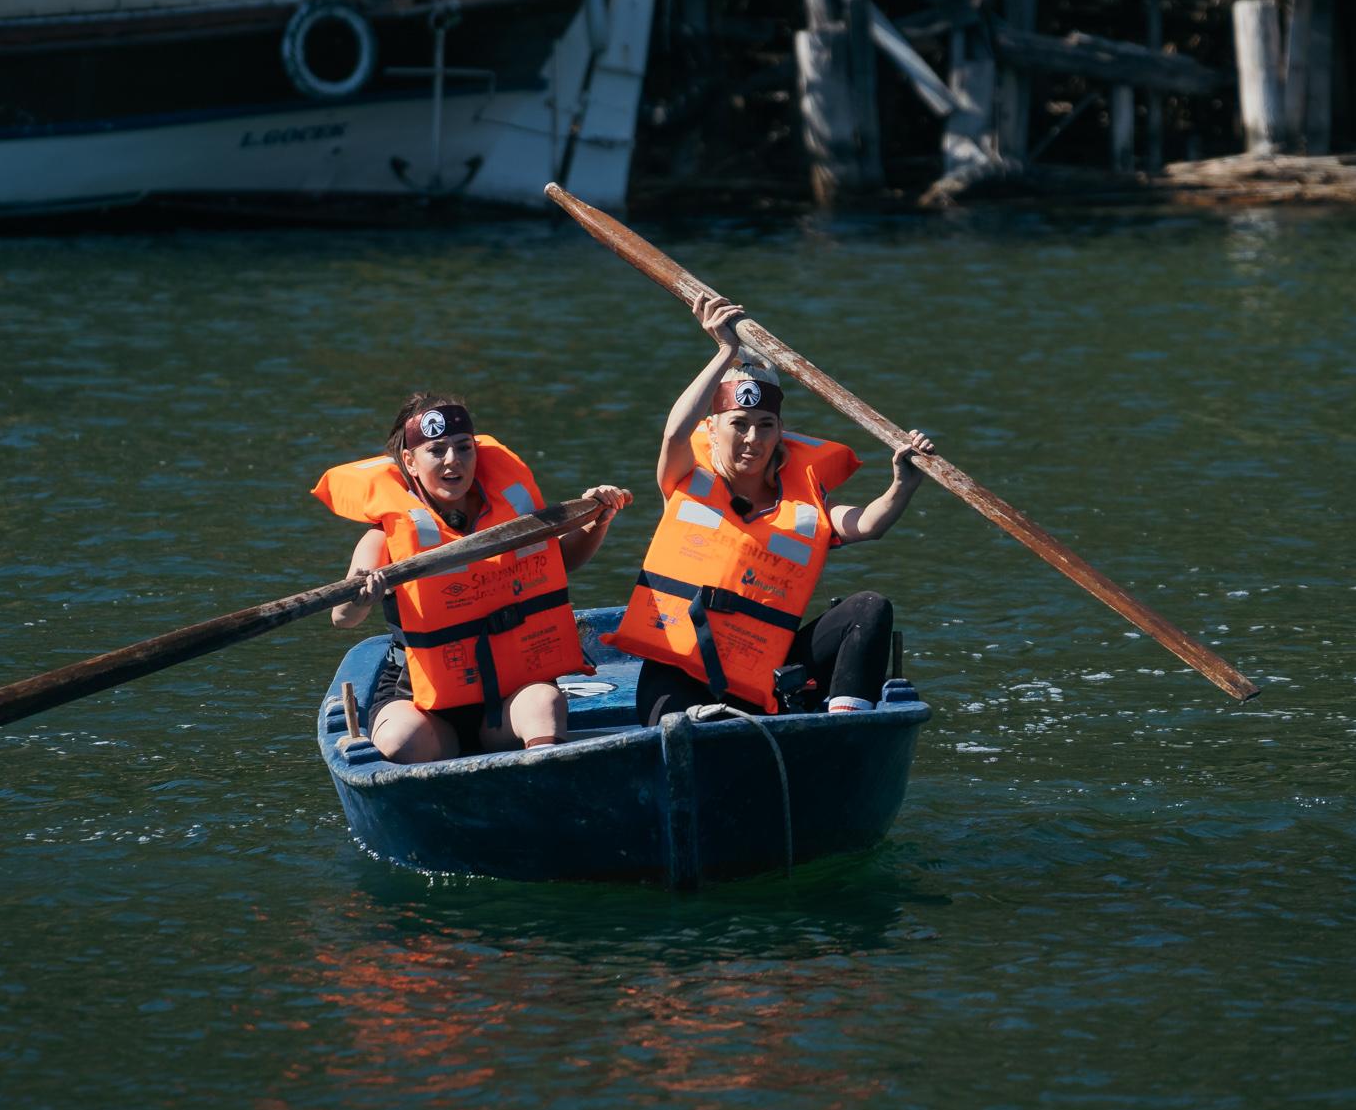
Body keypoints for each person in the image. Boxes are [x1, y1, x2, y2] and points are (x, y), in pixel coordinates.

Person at [604, 293, 935, 722]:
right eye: (738, 425)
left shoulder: (803, 503)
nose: (752, 439)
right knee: (699, 729)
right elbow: (673, 435)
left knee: (869, 608)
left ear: (780, 432)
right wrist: (725, 352)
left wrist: (902, 484)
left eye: (765, 426)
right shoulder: (685, 478)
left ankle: (843, 729)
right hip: (679, 674)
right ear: (713, 427)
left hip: (762, 673)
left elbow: (869, 524)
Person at [313, 393, 631, 763]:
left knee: (545, 701)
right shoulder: (384, 535)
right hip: (421, 695)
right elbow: (342, 618)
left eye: (464, 448)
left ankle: (543, 776)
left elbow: (562, 560)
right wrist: (361, 597)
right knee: (402, 740)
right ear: (410, 463)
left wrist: (596, 522)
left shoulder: (513, 514)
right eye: (436, 451)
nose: (453, 461)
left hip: (507, 693)